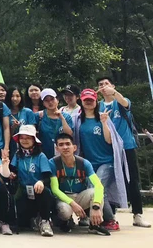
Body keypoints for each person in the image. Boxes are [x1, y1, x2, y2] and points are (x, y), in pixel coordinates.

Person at [97, 76, 150, 227]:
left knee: (132, 180)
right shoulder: (98, 105)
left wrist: (114, 93)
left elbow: (125, 103)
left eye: (106, 83)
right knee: (109, 181)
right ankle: (110, 215)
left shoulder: (120, 101)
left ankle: (137, 214)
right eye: (100, 85)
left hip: (126, 145)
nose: (103, 86)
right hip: (107, 147)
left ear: (113, 85)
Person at [77, 88, 126, 231]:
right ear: (81, 101)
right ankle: (97, 220)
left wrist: (104, 122)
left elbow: (110, 140)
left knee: (97, 188)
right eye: (86, 100)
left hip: (106, 162)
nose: (88, 102)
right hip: (89, 163)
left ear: (95, 101)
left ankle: (110, 220)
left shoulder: (103, 117)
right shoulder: (78, 120)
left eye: (91, 100)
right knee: (91, 190)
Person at [49, 133, 110, 235]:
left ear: (74, 147)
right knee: (64, 211)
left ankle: (94, 224)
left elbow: (99, 186)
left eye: (68, 144)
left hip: (80, 195)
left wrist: (96, 206)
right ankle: (66, 221)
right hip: (64, 198)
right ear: (57, 148)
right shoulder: (52, 163)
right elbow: (55, 189)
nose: (65, 147)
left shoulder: (84, 163)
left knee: (95, 193)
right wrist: (72, 204)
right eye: (61, 145)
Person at [9, 125, 54, 236]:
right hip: (24, 191)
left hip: (38, 191)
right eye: (22, 138)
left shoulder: (41, 156)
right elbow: (12, 170)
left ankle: (45, 221)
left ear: (34, 139)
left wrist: (41, 182)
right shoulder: (18, 155)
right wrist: (11, 174)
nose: (24, 140)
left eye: (28, 138)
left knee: (45, 193)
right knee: (19, 221)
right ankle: (33, 219)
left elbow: (47, 177)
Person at [37, 88, 73, 159]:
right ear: (43, 103)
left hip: (63, 155)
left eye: (52, 99)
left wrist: (62, 118)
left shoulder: (66, 116)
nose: (50, 102)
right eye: (46, 100)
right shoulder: (39, 116)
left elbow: (69, 134)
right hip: (43, 155)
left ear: (57, 100)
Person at [5, 86, 36, 154]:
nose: (15, 99)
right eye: (12, 96)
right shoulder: (5, 113)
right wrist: (13, 128)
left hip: (26, 145)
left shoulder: (28, 112)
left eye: (18, 96)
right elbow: (5, 135)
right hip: (11, 146)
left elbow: (33, 131)